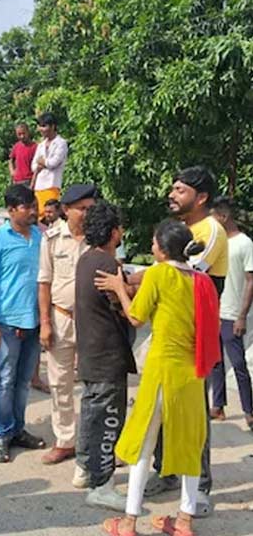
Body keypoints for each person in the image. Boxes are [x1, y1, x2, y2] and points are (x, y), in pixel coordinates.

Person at [95, 220, 218, 536]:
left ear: (162, 249)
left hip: (162, 371)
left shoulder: (159, 273)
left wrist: (120, 289)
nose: (151, 247)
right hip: (193, 375)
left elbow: (136, 316)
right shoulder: (201, 281)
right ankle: (184, 521)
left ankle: (128, 522)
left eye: (153, 243)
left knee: (143, 445)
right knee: (191, 445)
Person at [140, 166, 226, 516]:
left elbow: (183, 274)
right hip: (169, 334)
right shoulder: (181, 231)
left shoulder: (210, 232)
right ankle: (168, 471)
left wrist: (132, 284)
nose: (172, 194)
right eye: (172, 188)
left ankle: (200, 486)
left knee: (194, 415)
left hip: (196, 337)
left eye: (180, 189)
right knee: (163, 403)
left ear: (200, 197)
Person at [0, 183, 47, 463]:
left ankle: (18, 430)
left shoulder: (40, 238)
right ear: (11, 210)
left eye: (34, 206)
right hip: (7, 323)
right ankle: (2, 435)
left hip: (34, 322)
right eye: (27, 207)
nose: (33, 211)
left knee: (23, 382)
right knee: (5, 381)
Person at [74, 201, 136, 511]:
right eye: (120, 227)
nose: (122, 232)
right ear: (113, 232)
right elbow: (130, 311)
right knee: (108, 420)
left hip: (90, 352)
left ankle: (87, 469)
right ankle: (103, 484)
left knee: (91, 414)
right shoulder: (109, 266)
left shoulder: (86, 258)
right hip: (106, 355)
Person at [37, 185, 96, 476]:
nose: (86, 214)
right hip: (60, 318)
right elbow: (43, 283)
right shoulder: (51, 238)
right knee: (60, 382)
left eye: (90, 208)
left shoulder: (100, 237)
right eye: (81, 208)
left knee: (94, 384)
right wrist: (45, 323)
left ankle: (92, 441)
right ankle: (65, 440)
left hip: (94, 321)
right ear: (66, 209)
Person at [210, 196, 253, 430]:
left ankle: (249, 410)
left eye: (214, 217)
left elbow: (250, 281)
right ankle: (218, 406)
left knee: (237, 364)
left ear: (224, 217)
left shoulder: (244, 244)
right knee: (215, 362)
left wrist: (241, 315)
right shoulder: (217, 243)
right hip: (214, 312)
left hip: (231, 313)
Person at [31, 113, 68, 213]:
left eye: (44, 126)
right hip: (39, 186)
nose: (41, 129)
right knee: (38, 213)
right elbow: (34, 166)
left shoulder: (61, 143)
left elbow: (54, 162)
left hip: (52, 184)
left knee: (49, 213)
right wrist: (43, 164)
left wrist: (43, 162)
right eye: (40, 126)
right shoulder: (41, 145)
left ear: (53, 126)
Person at [9, 122, 37, 188]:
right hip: (17, 180)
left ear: (28, 132)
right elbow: (11, 160)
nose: (22, 136)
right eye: (19, 134)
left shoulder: (35, 147)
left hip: (29, 180)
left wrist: (33, 182)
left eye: (24, 133)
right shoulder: (16, 146)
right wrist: (12, 172)